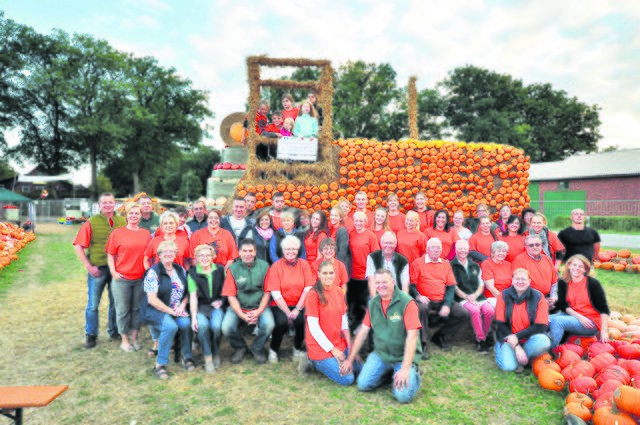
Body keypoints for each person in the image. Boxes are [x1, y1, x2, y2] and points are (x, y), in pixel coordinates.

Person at [342, 269, 422, 403]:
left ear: (393, 282)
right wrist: (349, 360)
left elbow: (412, 337)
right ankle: (390, 375)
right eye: (377, 283)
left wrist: (404, 368)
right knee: (363, 384)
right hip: (381, 354)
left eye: (384, 282)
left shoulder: (407, 302)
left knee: (402, 397)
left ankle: (413, 374)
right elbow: (362, 333)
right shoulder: (373, 304)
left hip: (402, 357)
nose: (381, 286)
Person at [73, 192, 126, 348]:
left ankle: (114, 330)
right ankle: (91, 335)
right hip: (98, 269)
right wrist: (89, 266)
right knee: (93, 304)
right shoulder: (92, 222)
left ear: (115, 204)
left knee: (115, 302)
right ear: (100, 205)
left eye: (110, 202)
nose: (108, 205)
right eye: (104, 203)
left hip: (117, 269)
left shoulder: (122, 221)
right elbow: (78, 246)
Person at [141, 240, 194, 379]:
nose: (169, 254)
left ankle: (186, 356)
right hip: (156, 309)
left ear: (176, 254)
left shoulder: (180, 269)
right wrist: (172, 312)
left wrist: (182, 305)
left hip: (177, 307)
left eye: (171, 251)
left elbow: (188, 291)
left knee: (185, 323)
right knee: (170, 326)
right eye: (165, 252)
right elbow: (152, 300)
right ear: (159, 255)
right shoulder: (153, 273)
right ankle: (160, 364)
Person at [409, 238, 468, 359]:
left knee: (463, 313)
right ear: (427, 249)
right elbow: (411, 285)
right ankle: (422, 343)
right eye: (433, 247)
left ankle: (440, 336)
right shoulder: (417, 263)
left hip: (441, 299)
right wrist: (418, 296)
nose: (436, 250)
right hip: (425, 299)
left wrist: (447, 304)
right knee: (421, 308)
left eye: (439, 248)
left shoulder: (445, 264)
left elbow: (451, 287)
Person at [300, 261, 356, 384]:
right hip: (321, 349)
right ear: (318, 274)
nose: (328, 276)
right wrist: (333, 350)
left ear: (335, 274)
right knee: (348, 379)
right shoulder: (313, 295)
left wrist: (350, 346)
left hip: (338, 343)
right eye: (324, 273)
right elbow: (314, 328)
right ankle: (314, 363)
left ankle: (336, 361)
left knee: (359, 369)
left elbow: (344, 322)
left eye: (331, 273)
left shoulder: (338, 291)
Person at [222, 239, 275, 364]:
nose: (248, 254)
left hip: (259, 306)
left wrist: (258, 312)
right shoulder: (233, 269)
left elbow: (267, 292)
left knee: (269, 324)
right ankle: (240, 347)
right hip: (239, 307)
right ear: (239, 252)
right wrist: (242, 315)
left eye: (251, 251)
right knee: (226, 327)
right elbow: (231, 296)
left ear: (255, 252)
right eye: (244, 251)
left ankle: (257, 348)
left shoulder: (264, 266)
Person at [106, 203, 151, 352]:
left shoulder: (145, 234)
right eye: (131, 213)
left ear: (140, 216)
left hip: (140, 279)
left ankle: (135, 338)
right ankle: (124, 340)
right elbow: (111, 254)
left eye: (136, 214)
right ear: (126, 215)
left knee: (136, 309)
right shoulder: (117, 233)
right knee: (123, 309)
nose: (133, 216)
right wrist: (113, 271)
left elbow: (149, 255)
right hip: (122, 279)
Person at [265, 236, 315, 363]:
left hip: (300, 303)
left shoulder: (304, 265)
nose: (291, 251)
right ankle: (273, 349)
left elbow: (307, 289)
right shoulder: (276, 267)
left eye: (293, 249)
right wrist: (288, 313)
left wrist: (298, 309)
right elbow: (276, 294)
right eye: (288, 249)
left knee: (302, 321)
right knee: (282, 322)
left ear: (298, 250)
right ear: (283, 250)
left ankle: (297, 348)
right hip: (280, 304)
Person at [494, 268, 551, 373]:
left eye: (523, 279)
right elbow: (501, 324)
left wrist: (516, 337)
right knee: (508, 367)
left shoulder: (538, 297)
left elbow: (541, 325)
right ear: (512, 281)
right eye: (517, 279)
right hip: (507, 338)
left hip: (529, 338)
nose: (520, 282)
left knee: (544, 341)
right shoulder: (503, 296)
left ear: (529, 281)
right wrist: (516, 346)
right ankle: (518, 356)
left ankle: (523, 357)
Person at [549, 255, 610, 348]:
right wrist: (580, 317)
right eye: (574, 265)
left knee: (558, 321)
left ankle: (549, 351)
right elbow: (563, 305)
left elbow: (604, 309)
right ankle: (536, 343)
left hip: (591, 322)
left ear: (585, 269)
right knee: (546, 319)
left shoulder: (592, 284)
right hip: (575, 316)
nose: (576, 268)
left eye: (580, 266)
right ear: (569, 266)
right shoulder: (563, 282)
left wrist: (603, 331)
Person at [188, 244, 226, 373]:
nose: (205, 258)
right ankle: (208, 357)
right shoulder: (192, 273)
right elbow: (193, 297)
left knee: (216, 327)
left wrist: (221, 301)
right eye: (201, 255)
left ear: (212, 257)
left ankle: (216, 351)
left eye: (208, 255)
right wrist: (193, 318)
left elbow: (227, 290)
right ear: (197, 258)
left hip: (216, 306)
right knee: (202, 326)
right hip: (200, 308)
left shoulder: (220, 270)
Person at [452, 240, 494, 353]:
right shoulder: (452, 266)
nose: (463, 251)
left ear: (468, 250)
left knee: (489, 310)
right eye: (460, 248)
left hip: (478, 297)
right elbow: (454, 287)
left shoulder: (475, 265)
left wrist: (475, 295)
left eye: (465, 249)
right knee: (475, 310)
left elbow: (481, 284)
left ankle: (484, 335)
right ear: (456, 250)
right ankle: (481, 340)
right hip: (462, 297)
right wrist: (467, 297)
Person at [348, 211, 380, 331]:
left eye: (361, 221)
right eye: (356, 221)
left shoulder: (370, 236)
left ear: (366, 222)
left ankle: (361, 323)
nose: (358, 223)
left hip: (365, 275)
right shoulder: (350, 234)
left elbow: (376, 255)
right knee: (353, 300)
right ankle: (353, 322)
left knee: (363, 301)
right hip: (352, 274)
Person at [512, 235, 558, 309]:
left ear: (541, 246)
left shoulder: (547, 259)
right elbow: (519, 286)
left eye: (537, 244)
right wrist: (540, 300)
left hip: (548, 298)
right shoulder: (519, 261)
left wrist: (554, 297)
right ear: (526, 247)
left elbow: (554, 281)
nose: (535, 247)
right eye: (531, 245)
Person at [365, 231, 409, 295]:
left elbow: (405, 283)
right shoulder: (372, 257)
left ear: (395, 244)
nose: (388, 246)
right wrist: (376, 302)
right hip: (378, 295)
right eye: (386, 243)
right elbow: (371, 280)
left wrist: (403, 302)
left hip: (397, 296)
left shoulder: (403, 260)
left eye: (391, 243)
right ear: (381, 243)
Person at [481, 241, 513, 306]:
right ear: (493, 252)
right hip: (493, 297)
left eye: (504, 251)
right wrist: (503, 299)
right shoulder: (487, 264)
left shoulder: (509, 265)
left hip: (509, 296)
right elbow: (490, 287)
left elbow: (514, 284)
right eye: (498, 251)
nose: (501, 253)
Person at [328, 206, 352, 275]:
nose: (333, 217)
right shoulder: (332, 229)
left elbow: (342, 252)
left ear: (340, 218)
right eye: (331, 215)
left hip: (340, 265)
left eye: (336, 216)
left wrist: (335, 266)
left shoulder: (342, 230)